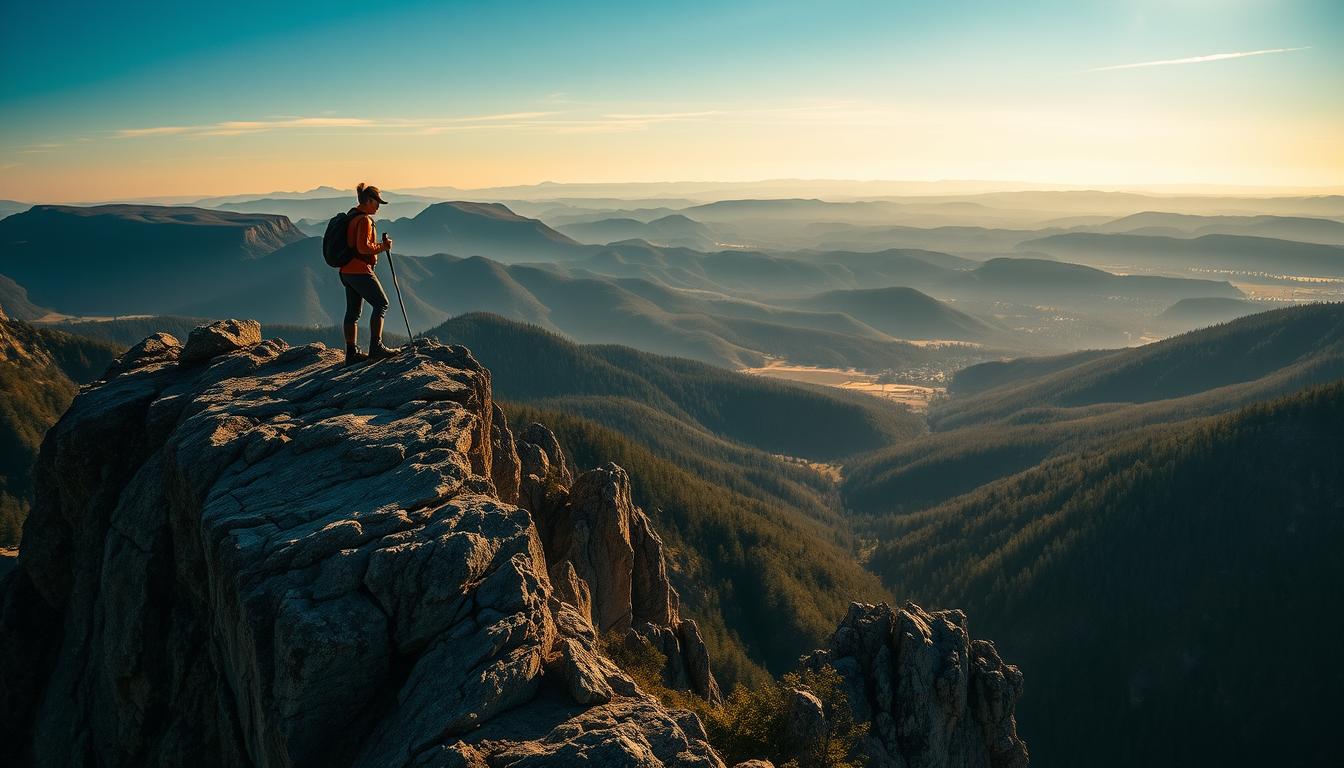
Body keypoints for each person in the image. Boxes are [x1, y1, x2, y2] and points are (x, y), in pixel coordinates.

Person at [340, 183, 400, 364]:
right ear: (368, 200)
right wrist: (383, 246)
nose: (378, 207)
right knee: (381, 304)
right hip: (360, 270)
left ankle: (351, 353)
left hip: (346, 270)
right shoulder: (364, 220)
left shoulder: (351, 216)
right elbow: (363, 248)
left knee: (352, 312)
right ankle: (376, 347)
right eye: (377, 202)